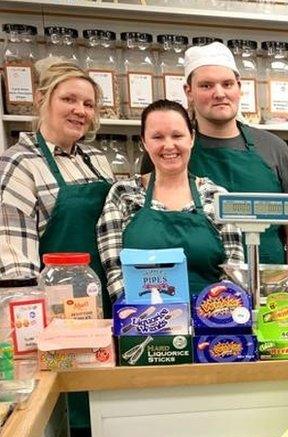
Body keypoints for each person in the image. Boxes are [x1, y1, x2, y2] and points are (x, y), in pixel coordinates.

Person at [140, 41, 288, 292]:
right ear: (188, 91)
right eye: (206, 85)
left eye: (227, 84)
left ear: (239, 88)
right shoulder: (170, 151)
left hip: (269, 291)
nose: (219, 93)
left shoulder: (273, 148)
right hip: (190, 290)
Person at [97, 99, 244, 300]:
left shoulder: (216, 196)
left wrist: (210, 314)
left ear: (191, 138)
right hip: (142, 321)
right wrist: (140, 314)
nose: (169, 145)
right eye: (157, 137)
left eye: (177, 135)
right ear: (144, 142)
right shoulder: (123, 194)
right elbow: (115, 272)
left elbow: (233, 270)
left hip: (210, 321)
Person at [0, 58, 112, 299]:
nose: (80, 111)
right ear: (41, 99)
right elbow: (16, 268)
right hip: (59, 311)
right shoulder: (20, 163)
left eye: (88, 104)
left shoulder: (96, 159)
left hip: (109, 302)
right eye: (68, 99)